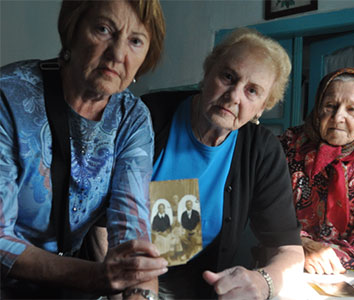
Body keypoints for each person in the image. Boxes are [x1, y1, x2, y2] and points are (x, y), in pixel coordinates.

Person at [0, 0, 168, 298]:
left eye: (136, 41)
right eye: (103, 29)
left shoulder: (132, 116)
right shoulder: (8, 96)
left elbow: (132, 230)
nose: (118, 54)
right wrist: (93, 276)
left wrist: (141, 293)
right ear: (73, 30)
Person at [142, 28, 304, 299]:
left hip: (200, 287)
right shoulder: (150, 115)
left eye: (252, 91)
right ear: (207, 74)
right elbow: (101, 221)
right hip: (123, 277)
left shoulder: (261, 149)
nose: (234, 96)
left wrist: (264, 282)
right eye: (228, 77)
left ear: (263, 107)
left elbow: (289, 251)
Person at [279, 68, 354, 275]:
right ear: (318, 108)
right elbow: (266, 210)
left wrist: (325, 255)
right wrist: (299, 245)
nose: (338, 117)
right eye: (330, 106)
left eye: (352, 109)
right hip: (286, 260)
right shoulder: (289, 146)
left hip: (346, 272)